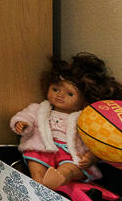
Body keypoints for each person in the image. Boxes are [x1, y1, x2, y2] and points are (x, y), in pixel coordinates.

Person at [11, 53, 122, 190]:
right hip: (42, 148)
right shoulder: (40, 108)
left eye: (70, 94)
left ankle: (60, 177)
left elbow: (93, 142)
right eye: (55, 89)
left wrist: (91, 157)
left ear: (85, 100)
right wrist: (22, 123)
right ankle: (39, 183)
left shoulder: (84, 118)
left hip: (69, 154)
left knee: (71, 168)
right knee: (35, 163)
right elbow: (27, 115)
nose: (60, 95)